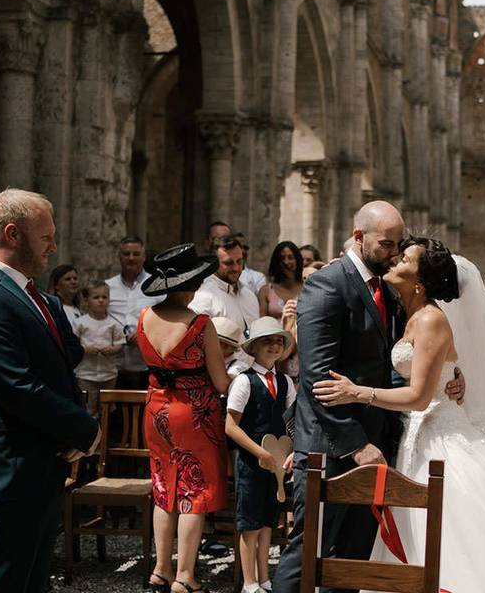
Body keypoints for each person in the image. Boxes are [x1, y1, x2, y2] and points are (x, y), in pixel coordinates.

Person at [314, 238, 485, 591]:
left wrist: (357, 393)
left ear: (419, 281)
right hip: (412, 434)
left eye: (404, 258)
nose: (394, 259)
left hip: (439, 435)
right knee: (416, 530)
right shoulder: (404, 307)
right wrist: (452, 372)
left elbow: (420, 397)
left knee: (452, 531)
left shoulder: (431, 319)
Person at [272, 201, 464, 593]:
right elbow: (316, 379)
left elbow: (394, 358)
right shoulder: (327, 285)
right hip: (331, 445)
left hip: (378, 440)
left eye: (398, 245)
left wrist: (447, 377)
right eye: (386, 244)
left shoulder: (387, 288)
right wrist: (357, 445)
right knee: (309, 550)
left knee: (355, 555)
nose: (393, 253)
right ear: (359, 237)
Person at [0, 188, 100, 593]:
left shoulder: (32, 296)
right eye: (46, 236)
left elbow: (64, 357)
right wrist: (84, 430)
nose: (54, 246)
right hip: (4, 476)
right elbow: (17, 387)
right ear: (13, 234)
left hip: (35, 471)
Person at [137, 244, 231, 593]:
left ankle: (160, 570)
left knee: (164, 488)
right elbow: (221, 382)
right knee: (196, 490)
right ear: (189, 284)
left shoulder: (144, 317)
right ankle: (185, 576)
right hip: (193, 412)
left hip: (156, 408)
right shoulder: (200, 324)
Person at [226, 317, 297, 593]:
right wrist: (259, 452)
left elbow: (292, 423)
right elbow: (230, 426)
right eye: (267, 340)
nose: (275, 345)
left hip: (277, 466)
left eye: (279, 340)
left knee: (268, 522)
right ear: (253, 347)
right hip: (251, 464)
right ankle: (249, 581)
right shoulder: (244, 382)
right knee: (250, 524)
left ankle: (265, 579)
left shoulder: (286, 382)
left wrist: (290, 452)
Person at [107, 236, 162, 388]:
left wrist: (144, 333)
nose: (131, 258)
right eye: (126, 254)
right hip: (113, 367)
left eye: (136, 254)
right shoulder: (107, 287)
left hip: (146, 365)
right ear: (119, 257)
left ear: (144, 257)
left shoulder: (156, 286)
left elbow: (165, 321)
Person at [72, 281, 124, 417]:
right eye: (96, 297)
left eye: (104, 297)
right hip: (86, 374)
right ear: (87, 300)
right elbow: (73, 345)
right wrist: (84, 349)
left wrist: (113, 349)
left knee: (107, 407)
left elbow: (120, 343)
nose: (101, 300)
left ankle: (106, 434)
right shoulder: (80, 323)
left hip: (109, 373)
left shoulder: (113, 323)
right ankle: (90, 436)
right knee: (88, 407)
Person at [190, 234, 261, 329]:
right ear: (214, 264)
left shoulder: (250, 296)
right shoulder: (202, 298)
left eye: (239, 261)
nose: (236, 268)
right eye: (228, 263)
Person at [258, 241, 305, 378]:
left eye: (290, 257)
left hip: (302, 349)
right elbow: (262, 324)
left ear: (297, 259)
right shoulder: (266, 291)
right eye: (282, 258)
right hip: (275, 349)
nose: (286, 261)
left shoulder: (308, 288)